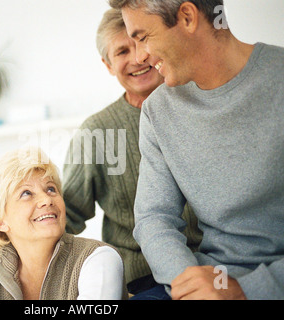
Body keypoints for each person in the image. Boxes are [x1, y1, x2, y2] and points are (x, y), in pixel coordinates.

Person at [109, 0, 284, 299]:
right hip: (207, 280)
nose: (140, 57)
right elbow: (154, 219)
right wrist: (190, 283)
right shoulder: (158, 110)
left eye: (142, 38)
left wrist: (249, 290)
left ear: (188, 17)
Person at [62, 8, 202, 296]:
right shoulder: (96, 131)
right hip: (143, 279)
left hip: (214, 265)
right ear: (108, 65)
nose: (138, 57)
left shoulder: (200, 104)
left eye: (141, 42)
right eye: (122, 51)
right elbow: (68, 214)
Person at [0, 147, 128, 300]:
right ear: (0, 222)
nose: (47, 200)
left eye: (50, 189)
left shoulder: (99, 258)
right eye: (26, 193)